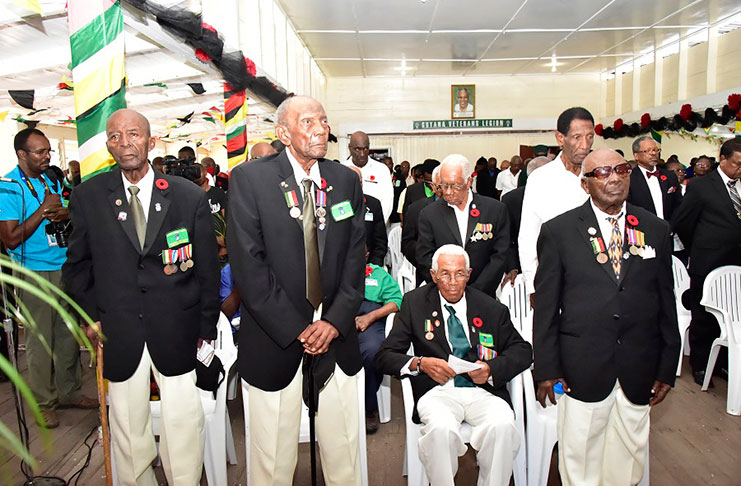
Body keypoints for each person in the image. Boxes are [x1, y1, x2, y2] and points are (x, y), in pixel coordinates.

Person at [63, 109, 220, 485]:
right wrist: (89, 318)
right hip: (117, 329)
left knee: (182, 421)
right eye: (115, 137)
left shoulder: (186, 196)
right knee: (128, 426)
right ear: (108, 146)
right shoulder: (89, 196)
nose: (125, 143)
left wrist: (205, 326)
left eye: (133, 134)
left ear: (151, 142)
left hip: (177, 327)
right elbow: (77, 266)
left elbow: (207, 269)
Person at [227, 95, 366, 485]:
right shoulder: (250, 180)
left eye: (323, 121)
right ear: (283, 133)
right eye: (308, 123)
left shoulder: (343, 181)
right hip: (277, 336)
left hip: (335, 335)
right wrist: (299, 328)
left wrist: (334, 322)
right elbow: (249, 268)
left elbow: (356, 260)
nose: (320, 129)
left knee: (343, 451)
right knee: (272, 456)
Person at [533, 148, 679, 486]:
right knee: (581, 457)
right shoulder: (560, 231)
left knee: (628, 461)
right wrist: (547, 369)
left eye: (620, 169)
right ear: (585, 185)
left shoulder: (654, 228)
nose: (613, 177)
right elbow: (546, 308)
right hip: (581, 366)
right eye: (601, 173)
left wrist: (667, 367)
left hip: (639, 365)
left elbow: (665, 301)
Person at [376, 244, 532, 486]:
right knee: (440, 430)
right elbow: (385, 356)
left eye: (459, 274)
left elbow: (523, 350)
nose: (452, 281)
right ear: (434, 274)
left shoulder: (490, 307)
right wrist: (420, 363)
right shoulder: (414, 303)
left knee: (502, 426)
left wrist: (491, 370)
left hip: (483, 392)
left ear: (468, 275)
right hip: (437, 392)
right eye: (445, 273)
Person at [0, 128, 96, 429]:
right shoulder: (8, 187)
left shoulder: (49, 179)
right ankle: (43, 403)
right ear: (22, 154)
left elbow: (58, 213)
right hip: (33, 272)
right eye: (39, 152)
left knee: (68, 334)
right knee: (41, 341)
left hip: (62, 264)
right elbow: (11, 238)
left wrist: (65, 213)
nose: (47, 157)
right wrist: (43, 211)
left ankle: (68, 392)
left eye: (48, 151)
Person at [673, 138, 741, 387]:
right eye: (737, 163)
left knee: (732, 314)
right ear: (722, 159)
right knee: (705, 315)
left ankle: (723, 362)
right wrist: (699, 248)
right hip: (708, 260)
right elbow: (683, 222)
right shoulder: (701, 187)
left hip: (737, 263)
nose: (740, 169)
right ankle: (701, 365)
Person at [519, 107, 594, 298]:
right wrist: (532, 286)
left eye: (590, 137)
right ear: (560, 138)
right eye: (577, 137)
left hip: (599, 280)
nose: (585, 145)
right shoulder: (541, 179)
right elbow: (529, 236)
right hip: (556, 280)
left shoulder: (602, 175)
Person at [417, 154, 510, 298]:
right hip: (444, 295)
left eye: (455, 186)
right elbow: (424, 257)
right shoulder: (429, 214)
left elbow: (500, 255)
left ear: (469, 182)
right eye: (444, 185)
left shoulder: (494, 210)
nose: (448, 192)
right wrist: (448, 286)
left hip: (483, 294)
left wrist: (478, 291)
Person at [356, 251, 402, 434]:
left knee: (372, 352)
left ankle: (369, 408)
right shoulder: (335, 272)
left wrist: (370, 316)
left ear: (366, 254)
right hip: (340, 319)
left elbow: (397, 300)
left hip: (371, 319)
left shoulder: (378, 274)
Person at [501, 156, 550, 285]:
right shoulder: (511, 200)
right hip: (525, 269)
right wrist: (512, 267)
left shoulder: (566, 197)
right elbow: (507, 239)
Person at [627, 136, 683, 222]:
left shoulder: (670, 176)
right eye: (647, 151)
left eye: (655, 150)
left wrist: (671, 227)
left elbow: (678, 205)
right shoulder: (629, 179)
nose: (653, 153)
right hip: (642, 230)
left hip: (668, 230)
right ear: (636, 156)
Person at [343, 131, 394, 223]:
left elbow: (388, 201)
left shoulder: (382, 170)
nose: (362, 154)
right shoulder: (342, 169)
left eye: (365, 149)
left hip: (375, 225)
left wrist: (377, 224)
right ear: (350, 148)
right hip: (348, 227)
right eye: (357, 149)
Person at [402, 166, 442, 283]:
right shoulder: (416, 209)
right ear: (433, 186)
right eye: (442, 186)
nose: (447, 191)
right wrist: (429, 268)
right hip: (426, 276)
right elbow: (407, 244)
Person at [348, 165, 387, 266]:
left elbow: (380, 242)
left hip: (369, 264)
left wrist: (374, 266)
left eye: (358, 182)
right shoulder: (335, 205)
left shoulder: (373, 204)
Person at [401, 158, 440, 223]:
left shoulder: (445, 190)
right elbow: (406, 216)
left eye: (434, 181)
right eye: (428, 181)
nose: (431, 185)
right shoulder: (412, 190)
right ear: (423, 177)